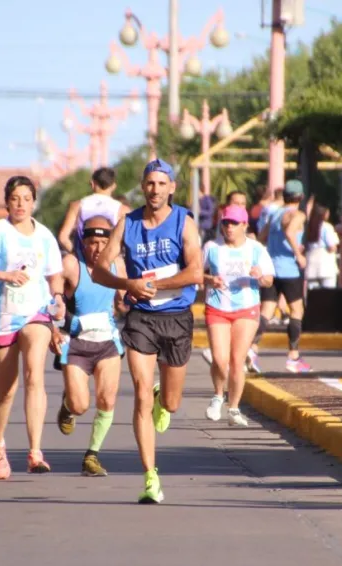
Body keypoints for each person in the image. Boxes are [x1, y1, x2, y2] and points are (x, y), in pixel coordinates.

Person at [91, 158, 202, 504]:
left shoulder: (185, 222)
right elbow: (98, 270)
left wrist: (155, 283)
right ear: (143, 187)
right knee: (139, 393)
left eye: (161, 184)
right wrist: (128, 284)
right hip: (141, 318)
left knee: (171, 401)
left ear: (172, 188)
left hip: (176, 315)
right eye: (149, 184)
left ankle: (162, 399)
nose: (155, 190)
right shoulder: (128, 223)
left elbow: (196, 272)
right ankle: (150, 477)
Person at [0, 176, 65, 479]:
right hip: (1, 316)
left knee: (34, 374)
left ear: (34, 201)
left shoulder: (45, 236)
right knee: (7, 387)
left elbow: (54, 276)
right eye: (15, 199)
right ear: (7, 202)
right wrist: (3, 275)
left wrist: (59, 299)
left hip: (35, 313)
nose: (21, 204)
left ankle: (35, 451)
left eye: (26, 198)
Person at [54, 216, 128, 476]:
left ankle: (91, 455)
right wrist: (54, 325)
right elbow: (49, 298)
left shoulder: (117, 265)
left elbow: (126, 298)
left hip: (107, 342)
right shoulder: (71, 265)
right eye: (92, 242)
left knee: (107, 399)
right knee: (80, 406)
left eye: (103, 243)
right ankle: (68, 406)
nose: (97, 249)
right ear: (82, 242)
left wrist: (129, 302)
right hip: (75, 344)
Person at [201, 205, 274, 426]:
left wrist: (260, 276)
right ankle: (217, 396)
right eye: (225, 223)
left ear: (244, 225)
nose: (229, 227)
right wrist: (209, 279)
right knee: (220, 359)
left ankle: (233, 408)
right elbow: (196, 272)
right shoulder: (212, 247)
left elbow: (269, 280)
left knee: (237, 360)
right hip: (217, 308)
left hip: (247, 308)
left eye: (234, 223)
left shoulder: (256, 249)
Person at [254, 179, 311, 373]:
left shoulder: (274, 213)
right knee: (297, 310)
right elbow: (289, 231)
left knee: (267, 311)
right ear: (301, 197)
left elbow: (261, 237)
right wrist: (298, 253)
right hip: (289, 270)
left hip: (272, 268)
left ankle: (252, 349)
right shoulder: (299, 214)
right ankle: (293, 356)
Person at [57, 167, 130, 254]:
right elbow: (130, 241)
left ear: (92, 183)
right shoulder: (123, 210)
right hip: (110, 263)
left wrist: (78, 256)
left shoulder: (77, 206)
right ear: (113, 186)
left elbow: (63, 237)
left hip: (83, 262)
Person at [304, 204, 340, 289]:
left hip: (311, 263)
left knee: (313, 295)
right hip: (326, 265)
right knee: (328, 294)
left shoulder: (307, 227)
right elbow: (332, 247)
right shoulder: (327, 227)